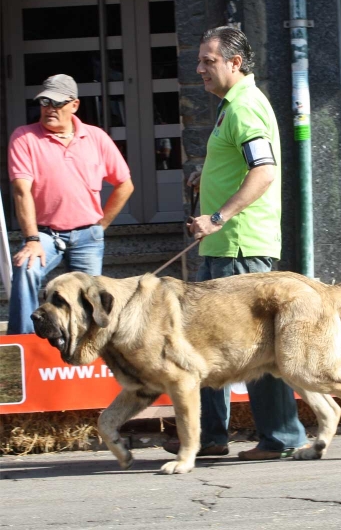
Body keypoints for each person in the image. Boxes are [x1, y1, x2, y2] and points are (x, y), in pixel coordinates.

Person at [164, 26, 308, 461]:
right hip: (224, 246)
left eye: (208, 60)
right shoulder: (234, 107)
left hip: (238, 248)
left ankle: (281, 437)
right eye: (201, 60)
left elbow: (263, 172)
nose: (199, 68)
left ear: (234, 63)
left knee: (256, 348)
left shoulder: (245, 108)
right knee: (206, 343)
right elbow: (241, 166)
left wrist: (217, 216)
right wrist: (205, 181)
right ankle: (209, 436)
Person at [7, 74, 134, 335]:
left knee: (89, 298)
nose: (49, 109)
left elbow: (125, 184)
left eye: (56, 103)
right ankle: (23, 343)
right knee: (26, 269)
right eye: (44, 102)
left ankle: (85, 350)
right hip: (43, 234)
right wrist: (31, 239)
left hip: (88, 235)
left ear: (74, 105)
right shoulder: (25, 137)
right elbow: (22, 191)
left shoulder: (96, 137)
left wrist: (101, 225)